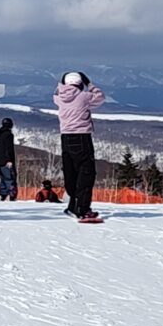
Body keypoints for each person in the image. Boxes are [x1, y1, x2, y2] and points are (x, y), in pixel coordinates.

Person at [54, 71, 106, 220]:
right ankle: (83, 209)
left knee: (71, 172)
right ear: (80, 83)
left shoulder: (59, 97)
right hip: (82, 137)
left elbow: (58, 90)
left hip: (65, 137)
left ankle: (73, 204)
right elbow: (100, 97)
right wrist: (89, 84)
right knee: (86, 173)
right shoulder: (83, 96)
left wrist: (62, 84)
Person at [0, 117, 18, 201]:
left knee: (3, 178)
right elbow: (9, 148)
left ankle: (2, 194)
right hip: (7, 161)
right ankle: (11, 195)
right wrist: (9, 160)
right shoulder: (9, 135)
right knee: (10, 178)